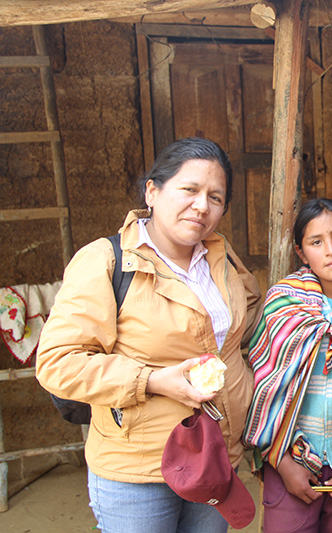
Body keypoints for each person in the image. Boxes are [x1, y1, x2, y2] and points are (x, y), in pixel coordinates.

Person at [36, 137, 262, 532]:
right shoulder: (106, 261)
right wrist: (153, 380)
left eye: (215, 197)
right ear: (153, 192)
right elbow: (58, 364)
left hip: (217, 453)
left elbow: (246, 320)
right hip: (139, 468)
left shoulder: (219, 255)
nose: (202, 206)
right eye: (189, 189)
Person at [244, 198, 332, 533]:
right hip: (291, 457)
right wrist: (281, 461)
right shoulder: (283, 302)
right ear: (302, 253)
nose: (331, 250)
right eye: (316, 242)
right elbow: (263, 382)